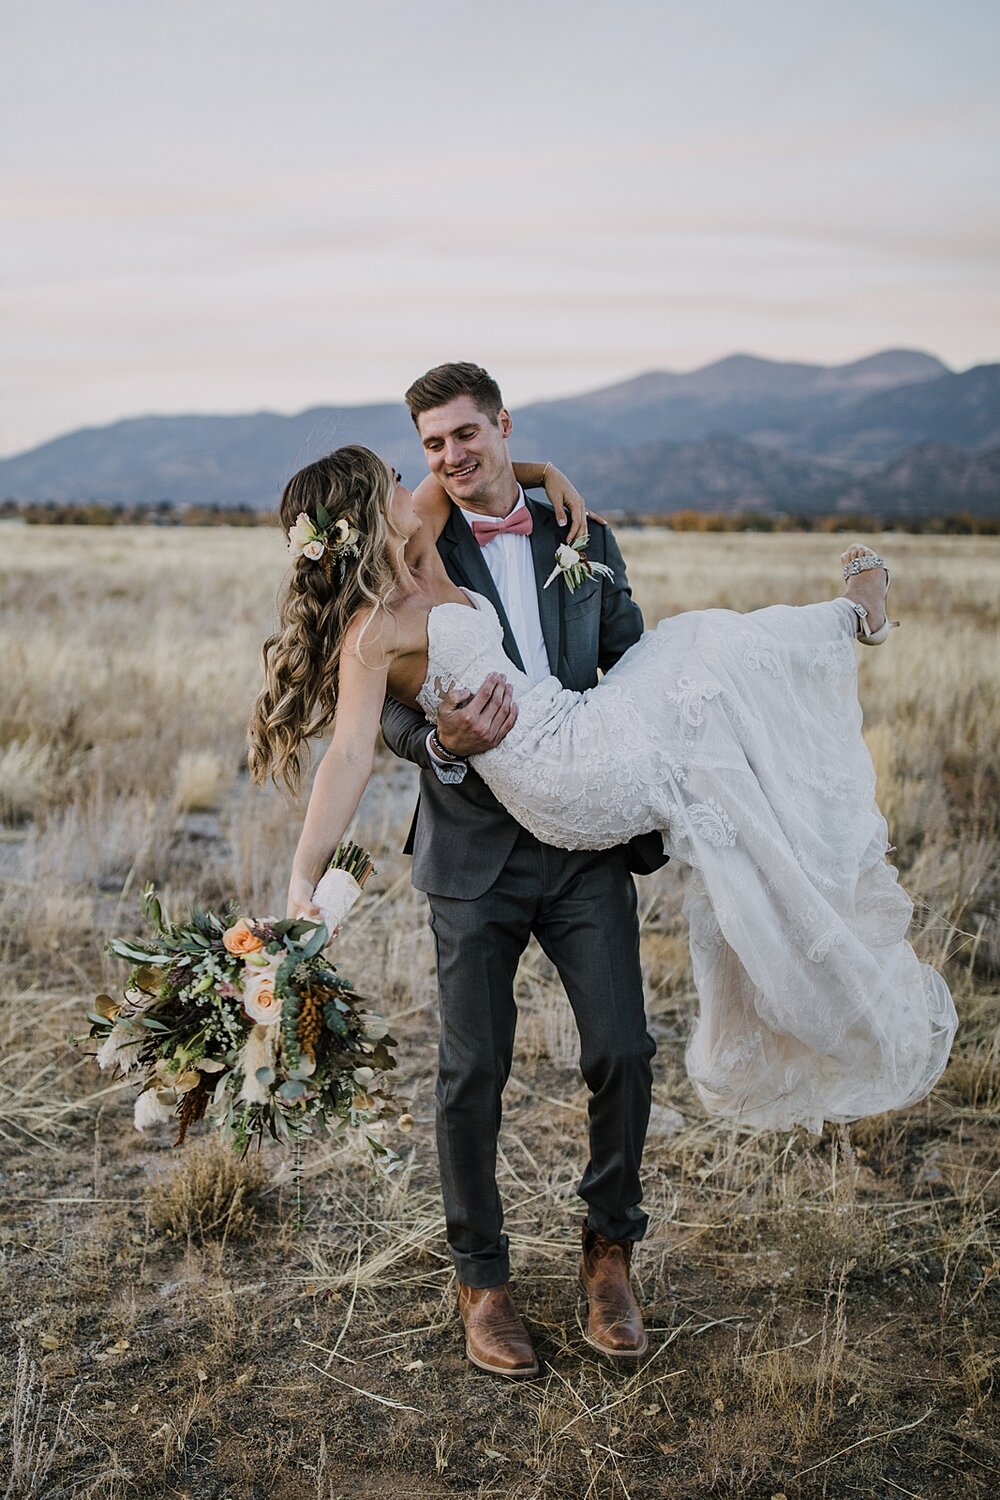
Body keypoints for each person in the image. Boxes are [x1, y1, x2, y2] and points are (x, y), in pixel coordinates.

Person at [247, 379, 957, 1376]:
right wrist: (314, 865)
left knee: (624, 1047)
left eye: (464, 438)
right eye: (424, 451)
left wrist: (539, 478)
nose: (441, 463)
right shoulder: (393, 589)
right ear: (378, 506)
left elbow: (616, 641)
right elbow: (357, 751)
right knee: (471, 1075)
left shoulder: (573, 532)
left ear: (500, 426)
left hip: (583, 810)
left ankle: (609, 1250)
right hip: (479, 845)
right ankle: (481, 1283)